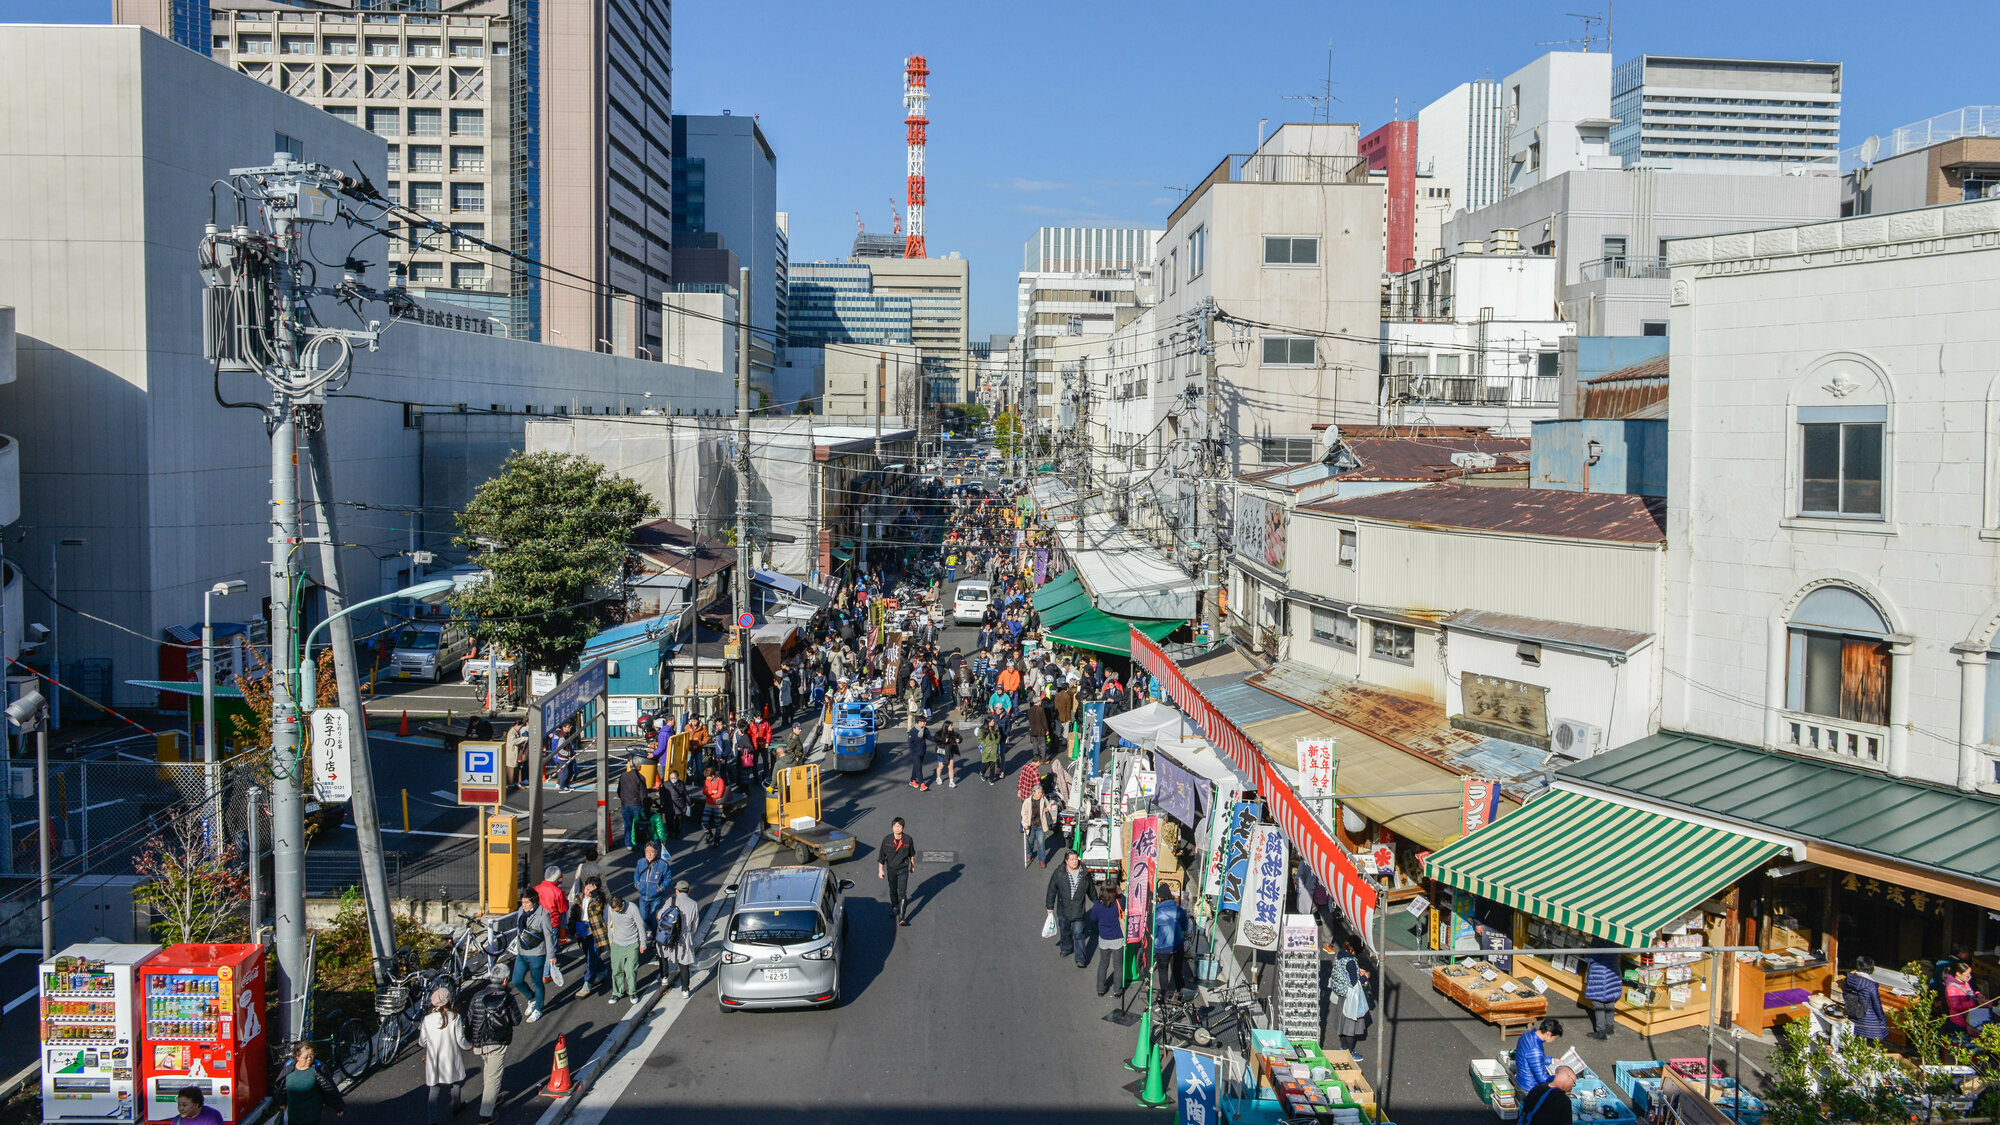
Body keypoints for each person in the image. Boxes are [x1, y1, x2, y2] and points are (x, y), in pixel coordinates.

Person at [465, 963, 521, 1125]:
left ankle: (493, 1097)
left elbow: (469, 1020)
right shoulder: (508, 998)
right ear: (505, 980)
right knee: (494, 1077)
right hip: (498, 1040)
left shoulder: (477, 996)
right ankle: (486, 1114)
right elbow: (516, 1020)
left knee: (489, 1070)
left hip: (479, 1042)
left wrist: (470, 1040)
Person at [418, 985, 470, 1124]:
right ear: (449, 1001)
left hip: (434, 1059)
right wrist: (470, 1047)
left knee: (434, 1090)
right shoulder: (455, 1017)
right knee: (456, 1082)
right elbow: (461, 1040)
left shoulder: (427, 1019)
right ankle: (457, 1106)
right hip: (450, 1057)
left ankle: (432, 1121)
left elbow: (422, 1042)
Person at [509, 890, 556, 1021]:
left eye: (526, 902)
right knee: (516, 980)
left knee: (536, 982)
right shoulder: (521, 911)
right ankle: (532, 998)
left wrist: (551, 955)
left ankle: (539, 1008)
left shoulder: (543, 915)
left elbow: (548, 935)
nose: (523, 905)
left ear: (534, 902)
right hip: (522, 952)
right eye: (522, 902)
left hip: (537, 954)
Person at [1045, 851, 1096, 969]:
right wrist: (1049, 907)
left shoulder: (1085, 874)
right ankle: (1066, 948)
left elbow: (1092, 891)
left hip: (1078, 911)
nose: (1074, 861)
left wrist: (1097, 903)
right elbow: (1051, 890)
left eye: (1076, 859)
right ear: (1066, 861)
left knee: (1078, 934)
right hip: (1064, 910)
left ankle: (1080, 959)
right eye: (1072, 859)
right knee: (1065, 931)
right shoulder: (1059, 873)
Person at [1324, 936, 1372, 1052]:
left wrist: (1356, 970)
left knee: (1342, 1023)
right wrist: (1365, 976)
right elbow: (1355, 982)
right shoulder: (1351, 961)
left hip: (1341, 994)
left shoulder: (1340, 955)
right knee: (1350, 1025)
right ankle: (1349, 1052)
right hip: (1350, 998)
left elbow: (1344, 972)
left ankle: (1343, 1047)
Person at [280, 1041, 345, 1125]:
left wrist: (338, 1106)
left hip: (311, 1116)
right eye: (306, 1057)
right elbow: (282, 1087)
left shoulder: (318, 1068)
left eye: (312, 1055)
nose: (310, 1058)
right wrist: (281, 1101)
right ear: (297, 1056)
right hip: (294, 1115)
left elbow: (329, 1088)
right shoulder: (289, 1068)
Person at [658, 880, 701, 997]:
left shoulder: (670, 901)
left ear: (676, 891)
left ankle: (664, 977)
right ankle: (685, 990)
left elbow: (660, 915)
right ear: (688, 891)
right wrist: (690, 934)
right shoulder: (693, 904)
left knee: (663, 955)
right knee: (684, 964)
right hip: (684, 937)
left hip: (668, 935)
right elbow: (695, 925)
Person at [604, 891, 647, 1005]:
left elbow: (640, 925)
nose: (616, 912)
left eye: (618, 910)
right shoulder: (611, 908)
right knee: (617, 970)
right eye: (614, 910)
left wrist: (643, 943)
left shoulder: (632, 908)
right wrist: (610, 940)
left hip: (632, 943)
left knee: (631, 970)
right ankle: (617, 993)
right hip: (617, 944)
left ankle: (632, 992)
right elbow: (610, 924)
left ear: (623, 904)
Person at [570, 874, 607, 997]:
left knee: (591, 959)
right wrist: (573, 929)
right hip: (582, 931)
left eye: (591, 890)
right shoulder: (579, 898)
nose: (587, 892)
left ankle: (587, 984)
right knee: (590, 956)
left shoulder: (598, 900)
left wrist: (595, 894)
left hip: (595, 933)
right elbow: (573, 915)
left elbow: (598, 909)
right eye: (586, 889)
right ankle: (602, 971)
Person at [878, 817, 918, 925]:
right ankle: (895, 908)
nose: (897, 828)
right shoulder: (887, 840)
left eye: (899, 826)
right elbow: (881, 856)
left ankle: (902, 916)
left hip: (903, 869)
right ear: (892, 827)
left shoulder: (908, 840)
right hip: (891, 870)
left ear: (903, 828)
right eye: (895, 826)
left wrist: (912, 866)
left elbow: (912, 854)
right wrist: (880, 870)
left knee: (902, 892)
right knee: (893, 891)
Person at [1087, 885, 1125, 998]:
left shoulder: (1098, 905)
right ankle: (1117, 991)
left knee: (1103, 963)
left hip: (1104, 938)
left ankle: (1100, 989)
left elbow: (1093, 919)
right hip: (1118, 938)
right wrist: (1120, 893)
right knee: (1118, 965)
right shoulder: (1119, 902)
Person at [1154, 883, 1190, 997]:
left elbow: (1154, 933)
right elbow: (1185, 926)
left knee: (1162, 971)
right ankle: (1181, 995)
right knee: (1177, 972)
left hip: (1162, 948)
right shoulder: (1179, 910)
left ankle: (1165, 994)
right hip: (1178, 945)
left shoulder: (1156, 913)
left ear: (1159, 898)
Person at [1581, 944, 1622, 1040]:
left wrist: (1586, 952)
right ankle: (1610, 1026)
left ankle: (1601, 1031)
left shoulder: (1599, 938)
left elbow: (1591, 958)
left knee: (1597, 1003)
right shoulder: (1616, 937)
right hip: (1613, 971)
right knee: (1610, 1000)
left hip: (1599, 974)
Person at [1843, 957, 1889, 1043]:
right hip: (1869, 1022)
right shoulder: (1871, 985)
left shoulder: (1848, 980)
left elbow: (1845, 995)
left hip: (1853, 1017)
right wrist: (1882, 1019)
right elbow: (1877, 1005)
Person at [1514, 1017, 1563, 1094]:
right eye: (1554, 1037)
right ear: (1548, 1034)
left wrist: (1552, 1060)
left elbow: (1532, 1058)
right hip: (1529, 1087)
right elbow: (1542, 1079)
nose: (1553, 1040)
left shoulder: (1527, 1035)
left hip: (1521, 1079)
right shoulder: (1536, 1049)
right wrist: (1558, 1078)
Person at [632, 840, 672, 931]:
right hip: (643, 896)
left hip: (656, 898)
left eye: (652, 852)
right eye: (647, 852)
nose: (649, 854)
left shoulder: (663, 864)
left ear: (656, 852)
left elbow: (668, 878)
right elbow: (636, 874)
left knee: (654, 919)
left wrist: (661, 888)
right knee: (643, 918)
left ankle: (655, 935)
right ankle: (648, 932)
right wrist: (637, 885)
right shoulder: (640, 862)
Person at [1945, 960, 1983, 1036]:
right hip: (1958, 1022)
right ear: (1958, 974)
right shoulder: (1951, 988)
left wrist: (1977, 994)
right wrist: (1975, 1002)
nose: (1970, 977)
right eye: (1967, 975)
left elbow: (1970, 993)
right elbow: (1956, 1006)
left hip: (1968, 1020)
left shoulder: (1965, 983)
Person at [532, 865, 569, 945]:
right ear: (557, 878)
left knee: (539, 946)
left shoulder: (536, 889)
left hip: (537, 921)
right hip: (552, 922)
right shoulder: (557, 892)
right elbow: (563, 909)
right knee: (551, 947)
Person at [618, 758, 645, 850]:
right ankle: (637, 842)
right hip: (636, 804)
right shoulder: (641, 778)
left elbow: (619, 790)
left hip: (625, 803)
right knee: (637, 825)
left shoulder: (623, 775)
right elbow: (643, 795)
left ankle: (628, 843)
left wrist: (622, 798)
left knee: (627, 824)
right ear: (637, 766)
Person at [701, 764, 727, 848]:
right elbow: (704, 792)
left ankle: (717, 839)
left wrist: (709, 793)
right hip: (708, 804)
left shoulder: (720, 781)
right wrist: (712, 791)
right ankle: (709, 833)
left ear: (713, 776)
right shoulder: (706, 781)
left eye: (708, 777)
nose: (707, 779)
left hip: (717, 805)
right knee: (704, 822)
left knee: (717, 823)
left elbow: (719, 794)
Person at [934, 719, 962, 788]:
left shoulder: (953, 734)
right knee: (941, 767)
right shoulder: (939, 733)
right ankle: (938, 778)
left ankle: (951, 782)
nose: (952, 727)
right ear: (946, 727)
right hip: (942, 752)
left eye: (952, 726)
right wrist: (943, 740)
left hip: (950, 752)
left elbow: (959, 737)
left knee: (951, 767)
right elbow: (936, 739)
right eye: (950, 726)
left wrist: (959, 740)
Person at [906, 719, 932, 791]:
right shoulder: (913, 731)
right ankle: (922, 784)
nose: (925, 723)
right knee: (919, 767)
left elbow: (930, 737)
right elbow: (910, 743)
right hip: (915, 753)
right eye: (924, 722)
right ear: (919, 722)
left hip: (922, 752)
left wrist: (939, 740)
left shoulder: (925, 730)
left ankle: (912, 780)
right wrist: (913, 752)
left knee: (916, 766)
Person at [979, 718, 1004, 784]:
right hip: (987, 750)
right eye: (992, 721)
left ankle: (991, 779)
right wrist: (985, 745)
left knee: (992, 764)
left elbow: (999, 736)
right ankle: (982, 772)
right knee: (987, 763)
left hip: (994, 749)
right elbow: (979, 739)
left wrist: (996, 742)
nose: (993, 722)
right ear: (988, 722)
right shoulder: (982, 729)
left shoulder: (995, 728)